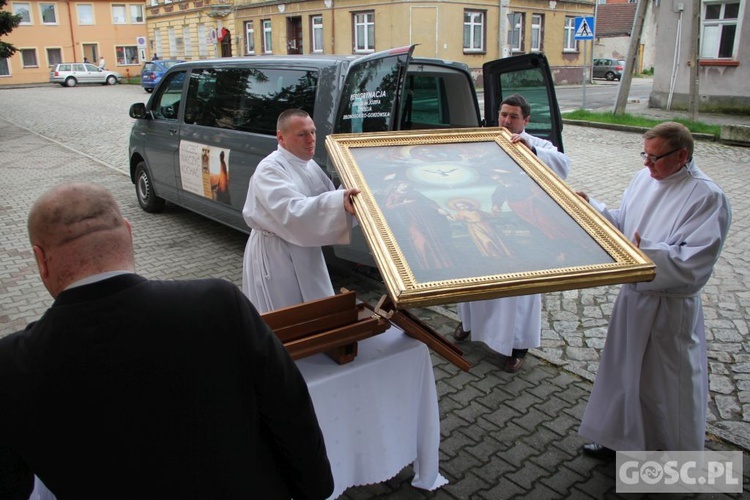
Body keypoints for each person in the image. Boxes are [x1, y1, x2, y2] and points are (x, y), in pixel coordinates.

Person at [0, 182, 334, 499]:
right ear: (129, 234)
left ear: (41, 259)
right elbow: (288, 406)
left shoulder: (12, 363)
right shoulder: (216, 303)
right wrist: (313, 489)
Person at [578, 122, 731, 457]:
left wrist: (641, 251)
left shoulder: (707, 197)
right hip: (633, 299)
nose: (647, 164)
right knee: (622, 375)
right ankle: (617, 441)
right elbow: (624, 223)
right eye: (644, 155)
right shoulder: (644, 178)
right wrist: (593, 209)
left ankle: (666, 457)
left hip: (668, 308)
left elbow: (694, 263)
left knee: (663, 387)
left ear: (682, 156)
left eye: (655, 158)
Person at [453, 93, 571, 373]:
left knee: (517, 291)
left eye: (514, 116)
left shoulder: (539, 145)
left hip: (521, 231)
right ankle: (470, 324)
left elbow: (563, 166)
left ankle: (518, 345)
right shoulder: (483, 143)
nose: (506, 121)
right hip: (485, 221)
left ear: (526, 120)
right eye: (503, 114)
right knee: (476, 277)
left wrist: (530, 149)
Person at [241, 108, 360, 313]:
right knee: (286, 316)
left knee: (316, 309)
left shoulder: (307, 164)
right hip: (276, 253)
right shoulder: (270, 169)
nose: (311, 139)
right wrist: (339, 202)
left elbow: (326, 202)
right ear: (281, 137)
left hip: (305, 249)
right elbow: (292, 211)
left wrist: (354, 192)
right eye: (302, 134)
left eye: (313, 132)